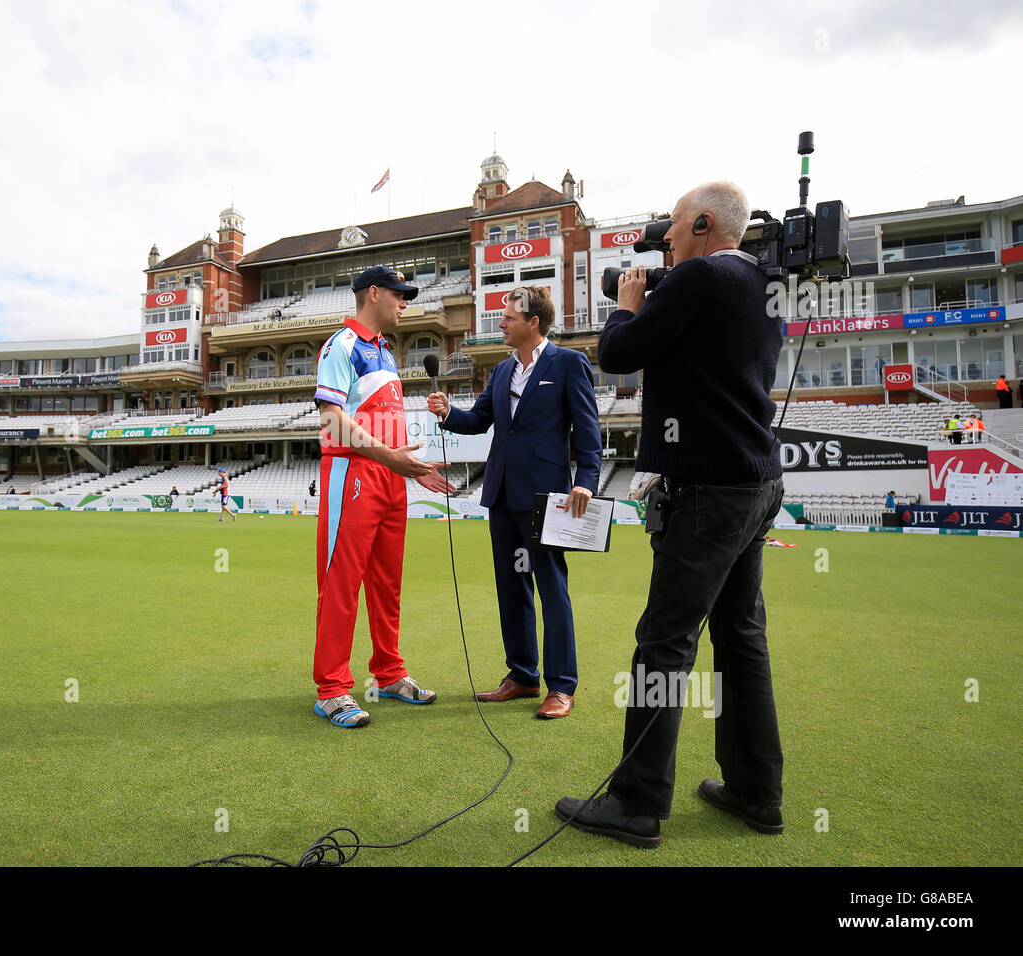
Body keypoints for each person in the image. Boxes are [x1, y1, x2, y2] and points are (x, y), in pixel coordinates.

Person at [554, 181, 786, 848]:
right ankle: (755, 792)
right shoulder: (763, 285)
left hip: (705, 489)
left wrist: (628, 305)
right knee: (742, 640)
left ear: (705, 224)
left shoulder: (698, 279)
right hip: (755, 482)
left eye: (676, 229)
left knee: (665, 643)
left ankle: (636, 802)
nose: (667, 240)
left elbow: (617, 355)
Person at [428, 285, 601, 719]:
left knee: (551, 589)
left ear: (533, 322)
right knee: (511, 587)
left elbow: (587, 426)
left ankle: (562, 686)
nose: (501, 324)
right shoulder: (502, 372)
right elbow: (478, 420)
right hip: (502, 493)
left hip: (547, 496)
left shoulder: (568, 363)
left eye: (508, 318)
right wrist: (449, 413)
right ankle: (523, 676)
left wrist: (587, 480)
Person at [311, 265, 455, 729]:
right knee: (341, 583)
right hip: (352, 476)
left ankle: (389, 673)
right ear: (373, 294)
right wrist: (391, 461)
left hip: (391, 481)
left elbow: (384, 426)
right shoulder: (341, 346)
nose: (404, 302)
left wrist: (410, 469)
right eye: (399, 294)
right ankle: (332, 689)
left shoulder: (387, 354)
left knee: (387, 584)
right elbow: (332, 421)